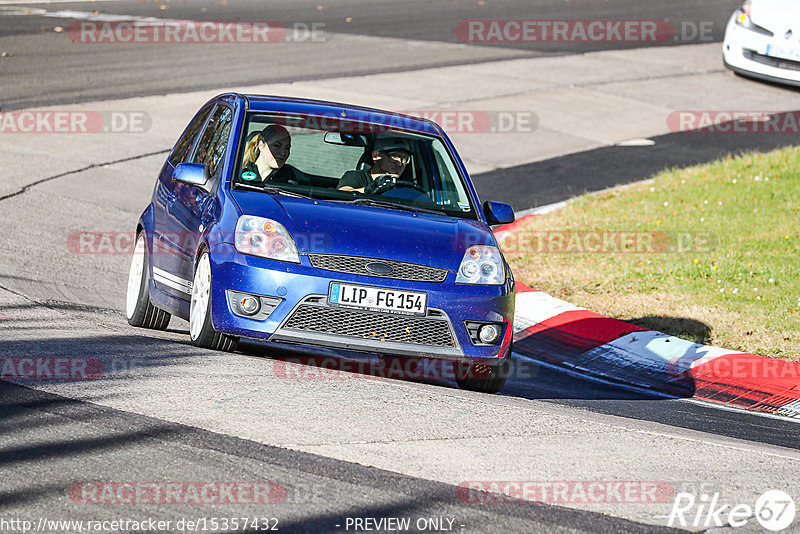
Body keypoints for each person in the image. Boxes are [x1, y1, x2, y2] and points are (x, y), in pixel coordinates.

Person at [337, 137, 412, 194]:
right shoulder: (355, 177)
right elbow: (343, 194)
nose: (399, 163)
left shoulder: (406, 188)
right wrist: (372, 188)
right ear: (376, 156)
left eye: (404, 158)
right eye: (394, 156)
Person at [240, 124, 310, 185]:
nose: (283, 153)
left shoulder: (292, 178)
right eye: (277, 146)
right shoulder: (238, 174)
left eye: (287, 148)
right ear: (261, 145)